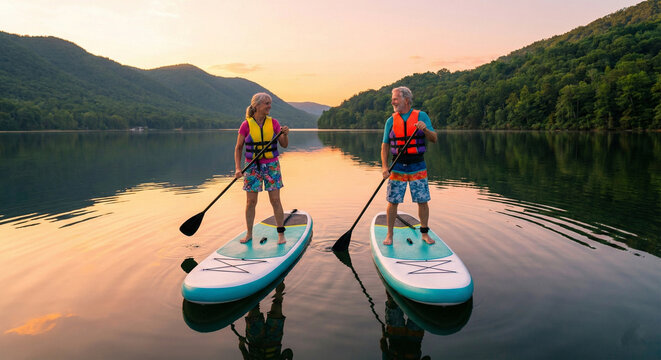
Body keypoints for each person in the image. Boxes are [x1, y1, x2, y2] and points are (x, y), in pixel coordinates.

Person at [381, 86, 437, 246]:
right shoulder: (390, 121)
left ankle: (425, 234)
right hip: (397, 166)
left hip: (417, 166)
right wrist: (385, 167)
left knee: (422, 200)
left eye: (395, 98)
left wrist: (424, 129)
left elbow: (434, 138)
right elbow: (385, 145)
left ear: (406, 100)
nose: (392, 101)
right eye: (392, 98)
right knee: (393, 201)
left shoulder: (422, 116)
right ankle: (390, 235)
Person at [235, 92, 290, 244]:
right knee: (250, 202)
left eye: (269, 103)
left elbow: (284, 144)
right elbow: (239, 148)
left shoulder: (274, 123)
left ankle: (281, 234)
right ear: (256, 105)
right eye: (266, 103)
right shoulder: (246, 125)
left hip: (271, 165)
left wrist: (285, 134)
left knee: (275, 199)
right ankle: (249, 234)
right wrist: (238, 168)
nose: (269, 106)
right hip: (252, 167)